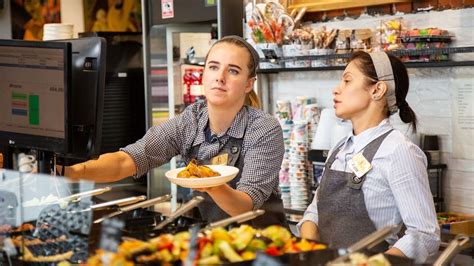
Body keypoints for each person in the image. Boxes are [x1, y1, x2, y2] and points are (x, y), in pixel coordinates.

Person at [63, 35, 286, 227]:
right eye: (214, 67)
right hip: (215, 241)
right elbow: (128, 160)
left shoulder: (263, 128)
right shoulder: (191, 120)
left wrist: (205, 181)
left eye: (233, 71)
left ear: (248, 84)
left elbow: (245, 206)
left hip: (266, 247)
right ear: (203, 74)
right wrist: (72, 172)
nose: (220, 77)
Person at [298, 51, 440, 263]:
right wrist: (311, 249)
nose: (336, 89)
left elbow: (424, 234)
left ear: (377, 89)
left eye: (347, 81)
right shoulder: (339, 149)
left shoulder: (399, 151)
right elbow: (314, 211)